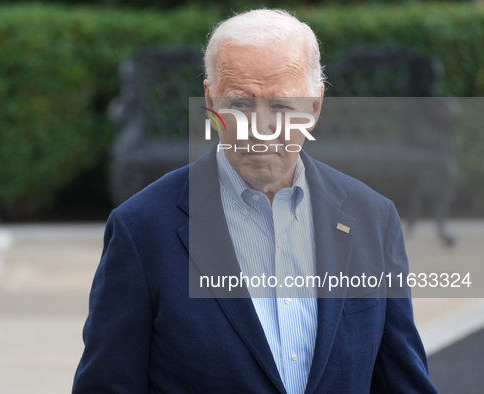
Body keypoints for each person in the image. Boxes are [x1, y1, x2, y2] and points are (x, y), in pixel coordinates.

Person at [72, 9, 438, 394]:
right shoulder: (142, 229)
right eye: (240, 105)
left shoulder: (372, 218)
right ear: (211, 102)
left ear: (314, 107)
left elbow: (402, 382)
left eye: (280, 106)